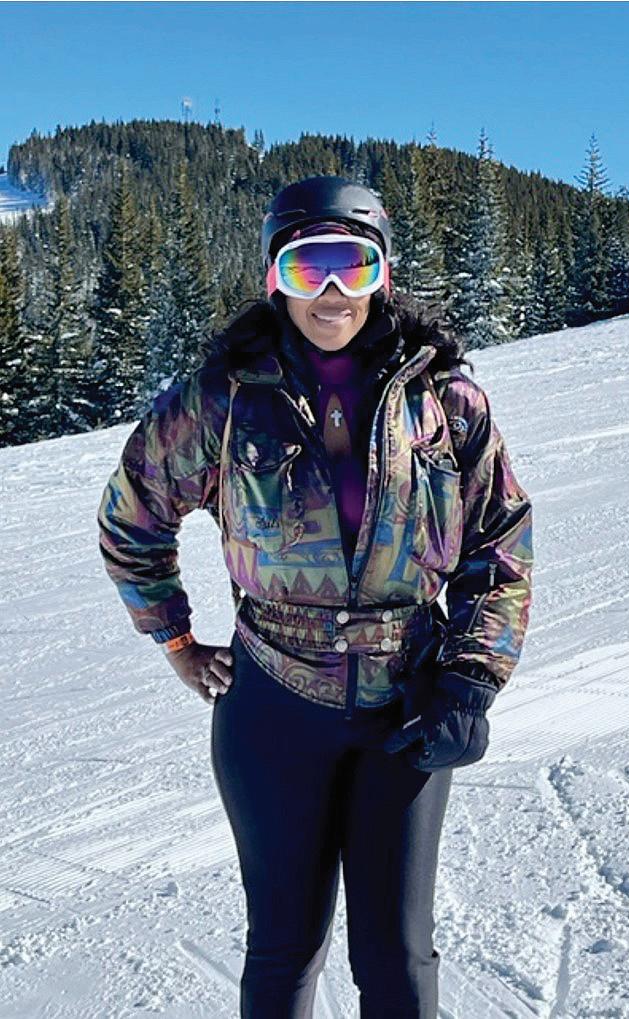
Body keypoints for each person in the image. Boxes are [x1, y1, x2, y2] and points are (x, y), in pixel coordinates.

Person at [97, 175, 533, 1018]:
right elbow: (131, 513)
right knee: (285, 947)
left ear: (382, 274)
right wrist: (175, 637)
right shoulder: (223, 400)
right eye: (307, 268)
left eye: (352, 266)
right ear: (274, 278)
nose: (331, 292)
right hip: (273, 707)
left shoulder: (444, 402)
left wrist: (469, 680)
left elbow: (501, 542)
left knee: (397, 957)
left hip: (405, 709)